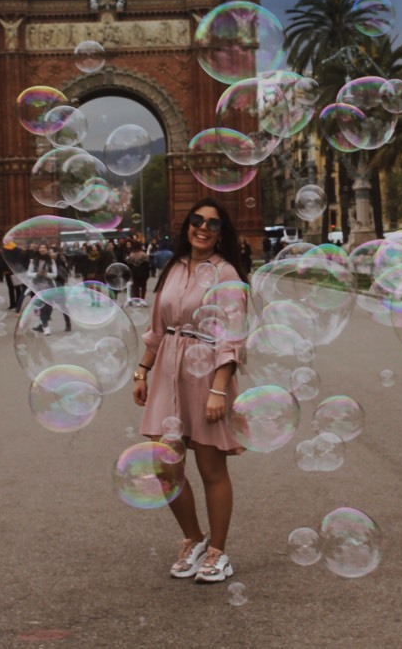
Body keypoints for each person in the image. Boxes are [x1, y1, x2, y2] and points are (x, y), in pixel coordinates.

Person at [133, 197, 249, 584]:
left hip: (207, 370)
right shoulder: (174, 268)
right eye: (196, 220)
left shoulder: (226, 273)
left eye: (212, 224)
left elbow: (232, 339)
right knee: (165, 464)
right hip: (168, 366)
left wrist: (219, 390)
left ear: (221, 233)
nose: (202, 227)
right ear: (186, 226)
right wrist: (141, 371)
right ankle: (193, 538)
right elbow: (157, 328)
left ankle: (218, 551)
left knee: (211, 467)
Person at [27, 243, 58, 335]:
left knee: (49, 307)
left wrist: (46, 274)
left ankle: (41, 325)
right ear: (38, 249)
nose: (42, 249)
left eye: (44, 248)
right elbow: (28, 273)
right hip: (37, 287)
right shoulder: (33, 261)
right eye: (41, 247)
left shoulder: (51, 261)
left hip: (49, 286)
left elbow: (55, 275)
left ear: (47, 249)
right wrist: (36, 274)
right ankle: (46, 327)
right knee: (43, 308)